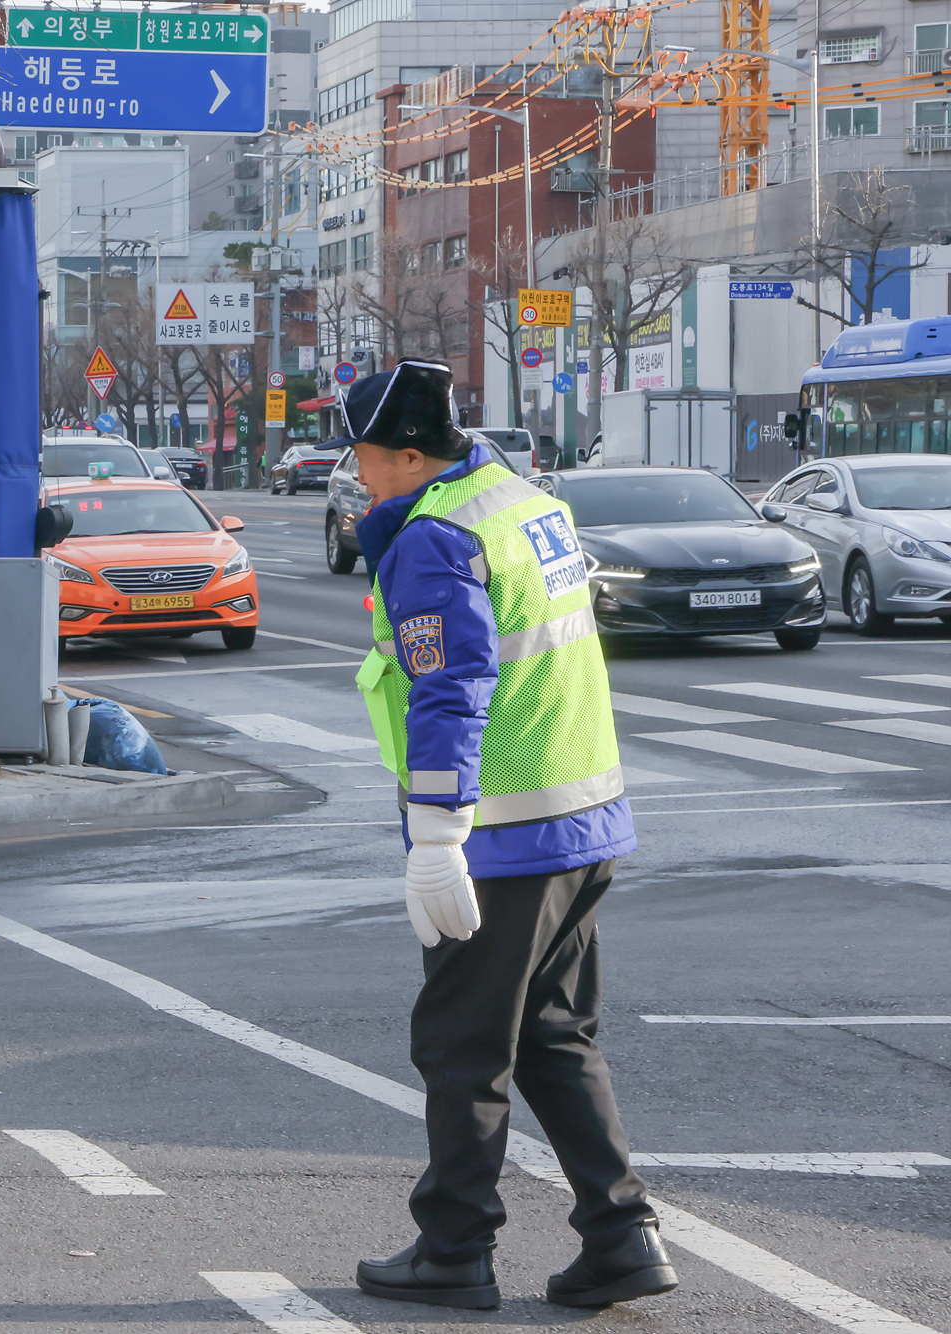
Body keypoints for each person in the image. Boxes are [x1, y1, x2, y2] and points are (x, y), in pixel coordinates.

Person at [328, 362, 677, 1312]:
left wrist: (437, 832)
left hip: (502, 832)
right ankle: (621, 1235)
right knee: (554, 1033)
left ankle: (454, 1247)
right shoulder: (521, 500)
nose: (356, 473)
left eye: (363, 455)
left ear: (407, 455)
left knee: (462, 1044)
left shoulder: (436, 537)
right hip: (583, 814)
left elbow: (449, 686)